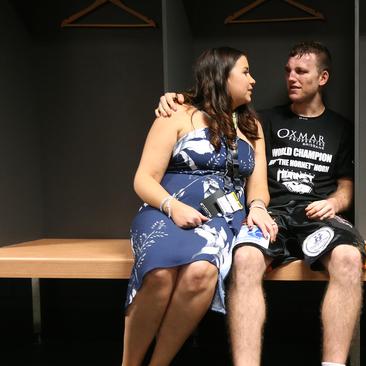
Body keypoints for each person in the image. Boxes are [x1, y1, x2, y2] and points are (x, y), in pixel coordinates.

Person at [156, 41, 366, 366]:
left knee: (349, 258)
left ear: (323, 78)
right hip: (269, 216)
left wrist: (334, 204)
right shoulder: (260, 120)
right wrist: (177, 99)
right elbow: (212, 104)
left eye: (301, 71)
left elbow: (346, 187)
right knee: (245, 259)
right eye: (288, 71)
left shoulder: (341, 128)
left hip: (317, 218)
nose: (292, 78)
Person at [123, 47, 277, 366]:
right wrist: (172, 206)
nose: (253, 80)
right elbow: (143, 178)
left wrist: (259, 205)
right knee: (161, 273)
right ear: (221, 76)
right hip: (163, 212)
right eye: (245, 72)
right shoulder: (178, 114)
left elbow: (258, 185)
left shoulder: (252, 127)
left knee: (201, 273)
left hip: (222, 215)